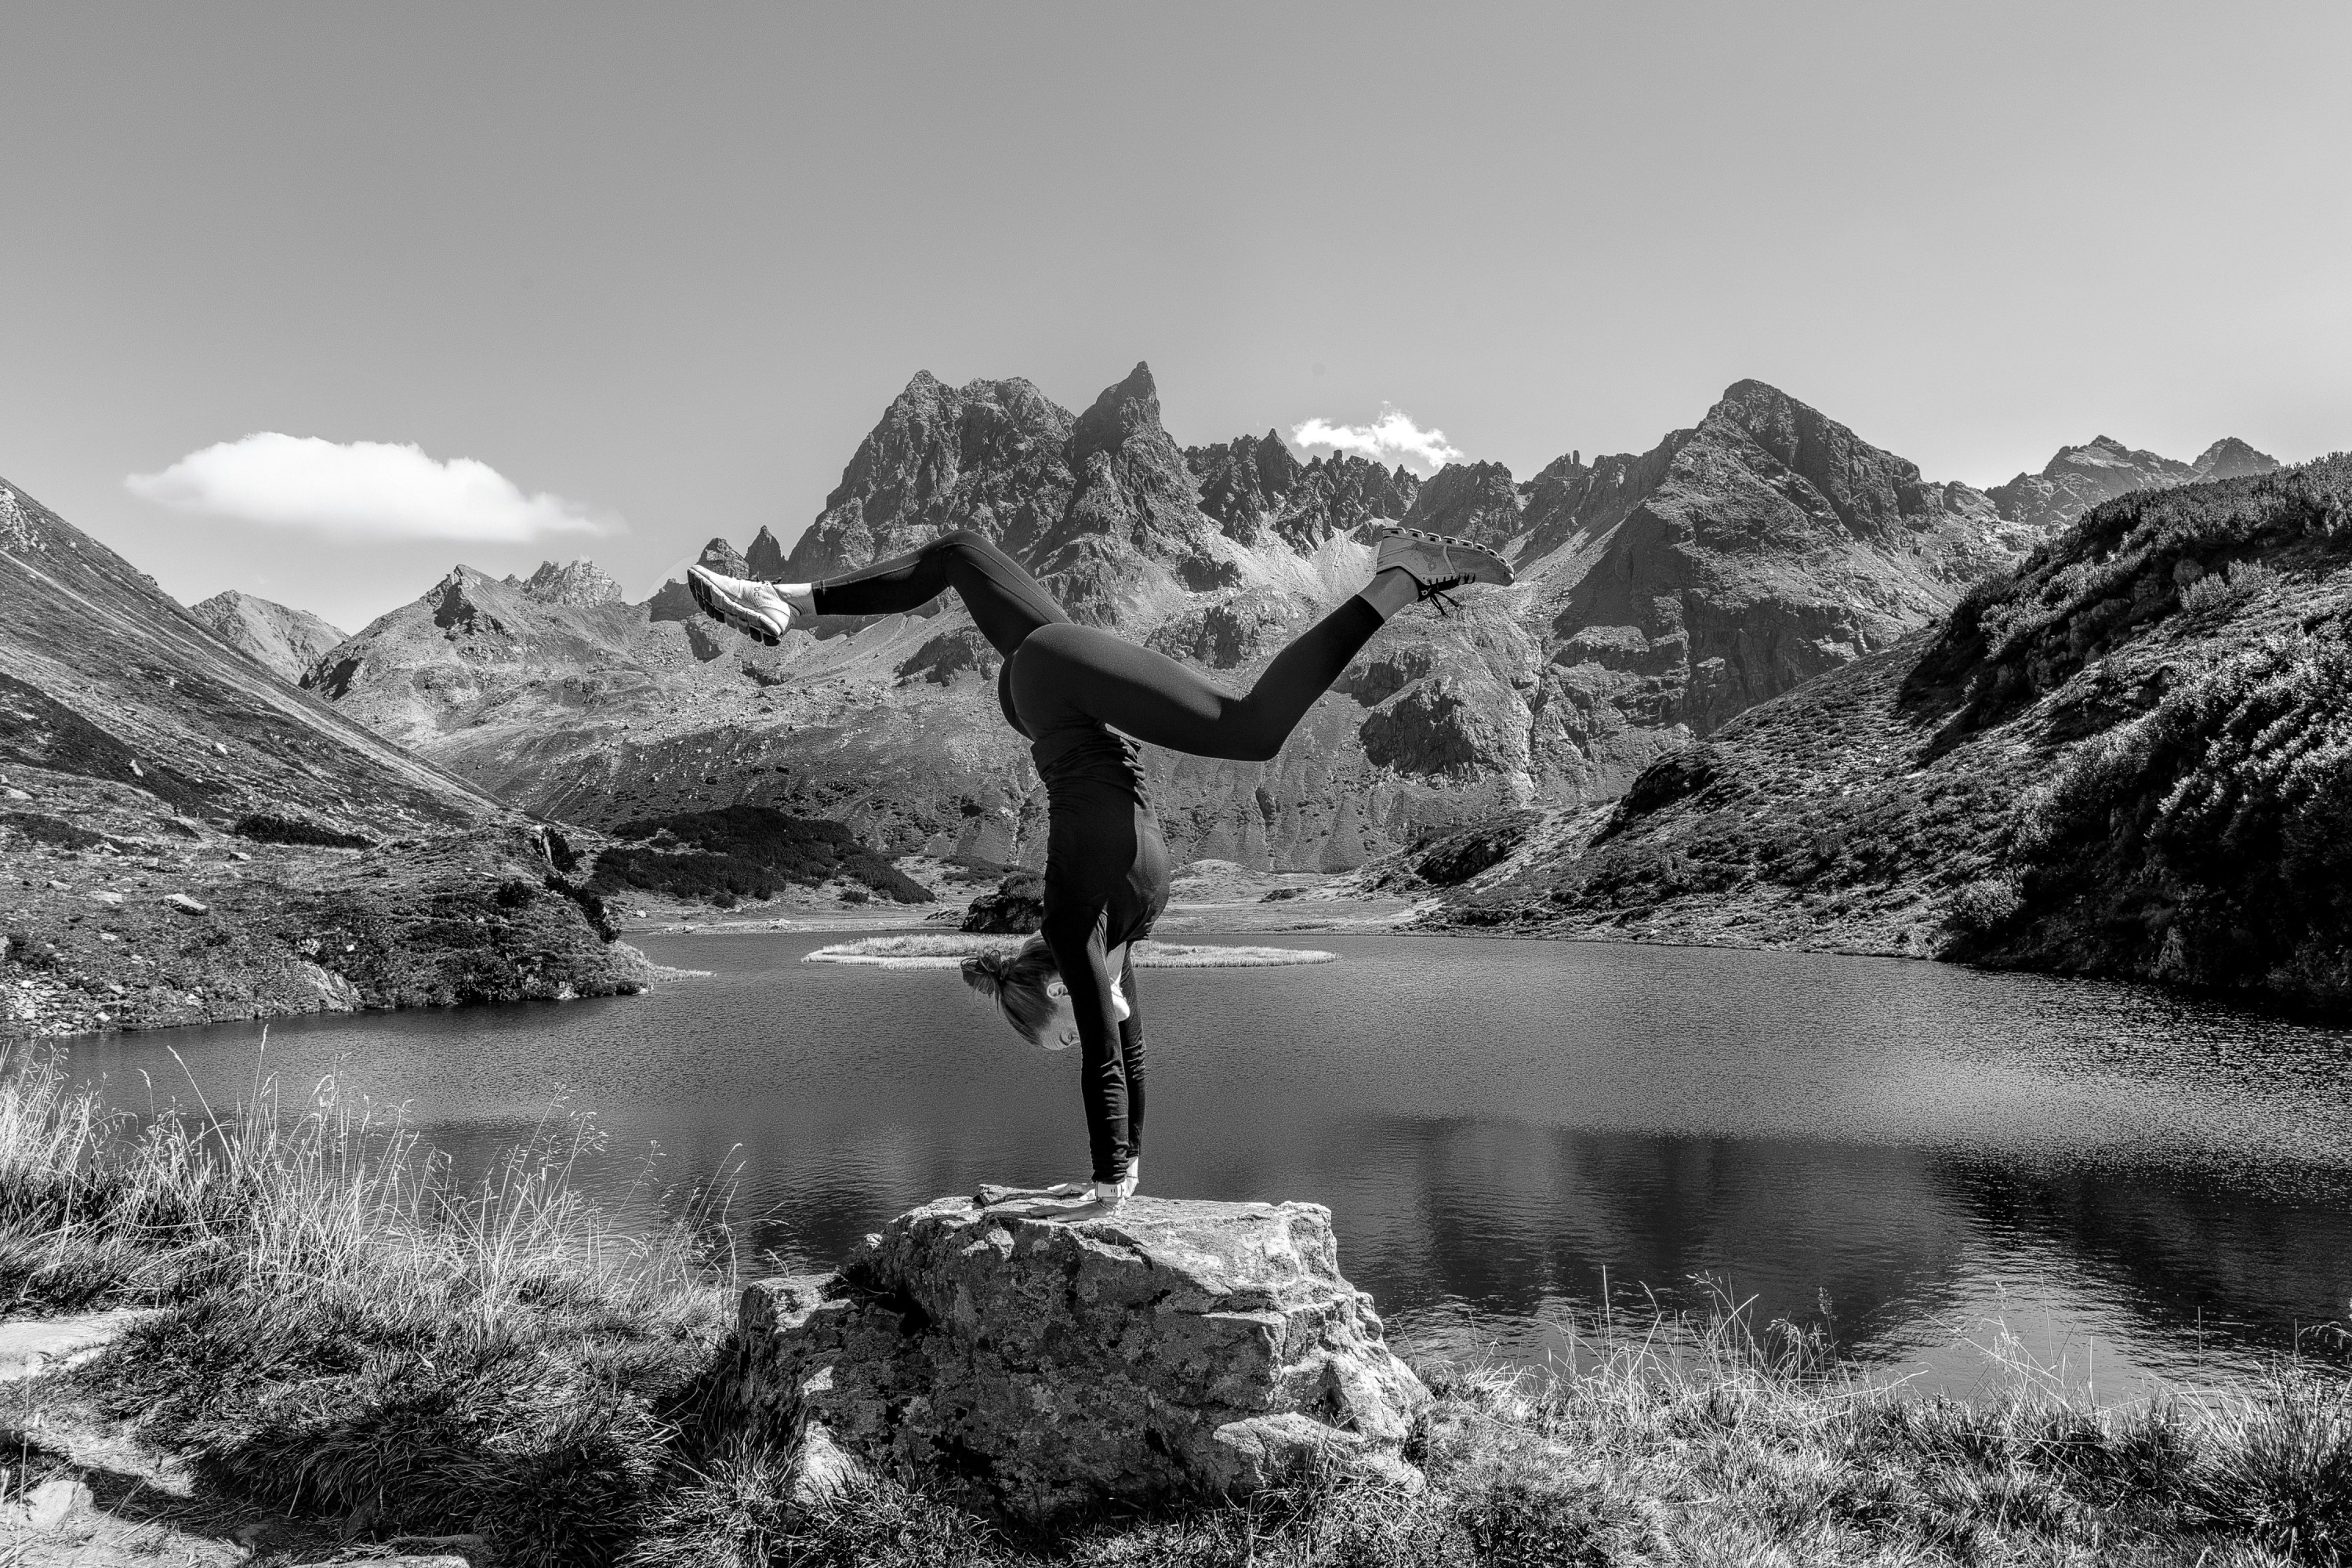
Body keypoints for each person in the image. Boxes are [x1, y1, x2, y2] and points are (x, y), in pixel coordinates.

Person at [688, 524, 1511, 1208]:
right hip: (1054, 695)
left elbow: (1104, 1065)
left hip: (1053, 685)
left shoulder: (1073, 925)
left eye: (1065, 1027)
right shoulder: (1116, 936)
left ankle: (1400, 576)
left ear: (1057, 992)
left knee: (1251, 729)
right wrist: (1131, 1177)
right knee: (959, 554)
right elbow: (1132, 1056)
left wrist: (1104, 1181)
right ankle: (785, 600)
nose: (1085, 1030)